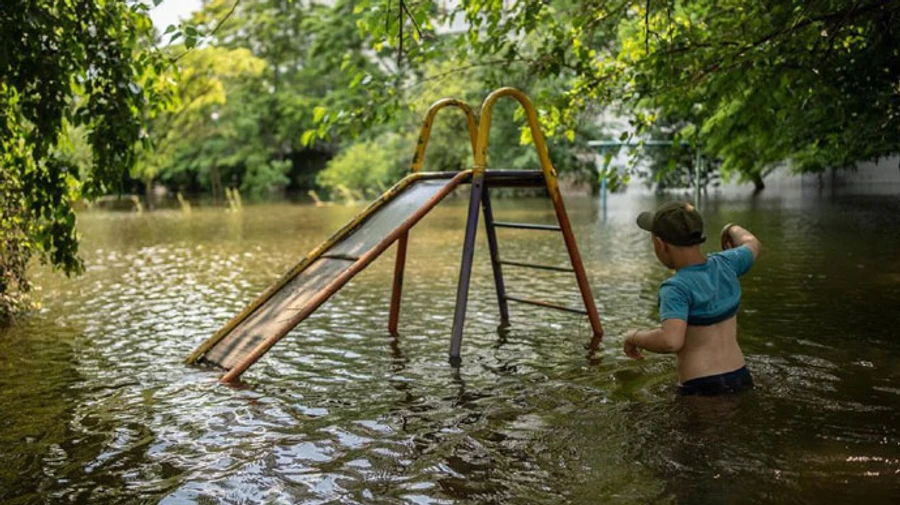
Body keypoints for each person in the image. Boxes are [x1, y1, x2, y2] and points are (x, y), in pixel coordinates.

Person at [624, 201, 762, 396]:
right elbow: (752, 244)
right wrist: (731, 228)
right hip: (741, 376)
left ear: (659, 244)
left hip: (702, 386)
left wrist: (633, 336)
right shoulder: (727, 264)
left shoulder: (676, 288)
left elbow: (671, 340)